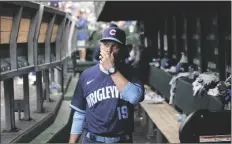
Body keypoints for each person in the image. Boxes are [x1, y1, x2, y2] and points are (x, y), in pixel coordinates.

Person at [69, 23, 144, 143]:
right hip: (93, 140)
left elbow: (134, 97)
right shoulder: (86, 75)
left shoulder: (131, 72)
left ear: (122, 49)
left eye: (115, 46)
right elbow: (79, 114)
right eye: (105, 45)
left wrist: (112, 70)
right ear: (100, 46)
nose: (108, 50)